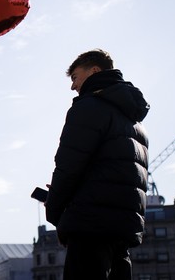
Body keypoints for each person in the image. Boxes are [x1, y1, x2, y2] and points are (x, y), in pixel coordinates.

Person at [45, 49, 149, 280]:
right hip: (122, 230)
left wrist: (54, 209)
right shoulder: (135, 121)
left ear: (94, 71)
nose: (73, 86)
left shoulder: (89, 107)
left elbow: (68, 165)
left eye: (75, 77)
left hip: (90, 225)